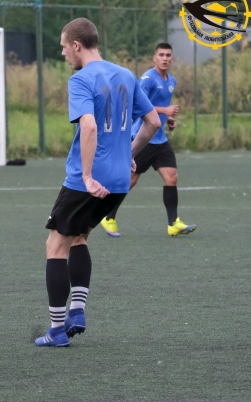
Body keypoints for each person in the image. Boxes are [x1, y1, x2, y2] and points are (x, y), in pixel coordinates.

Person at [35, 18, 161, 347]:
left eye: (64, 47)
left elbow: (89, 127)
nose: (63, 53)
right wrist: (128, 153)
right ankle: (77, 311)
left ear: (77, 45)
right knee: (79, 238)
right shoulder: (126, 75)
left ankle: (56, 330)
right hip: (119, 180)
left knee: (55, 246)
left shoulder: (81, 79)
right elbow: (152, 122)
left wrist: (88, 176)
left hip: (87, 181)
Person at [100, 43, 197, 238]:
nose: (165, 58)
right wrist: (165, 110)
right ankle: (108, 216)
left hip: (160, 140)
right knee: (130, 180)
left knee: (171, 177)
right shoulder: (147, 79)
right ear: (154, 58)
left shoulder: (171, 81)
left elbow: (158, 108)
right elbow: (137, 104)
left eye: (168, 55)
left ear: (172, 59)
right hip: (143, 138)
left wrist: (168, 119)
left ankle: (173, 223)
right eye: (161, 55)